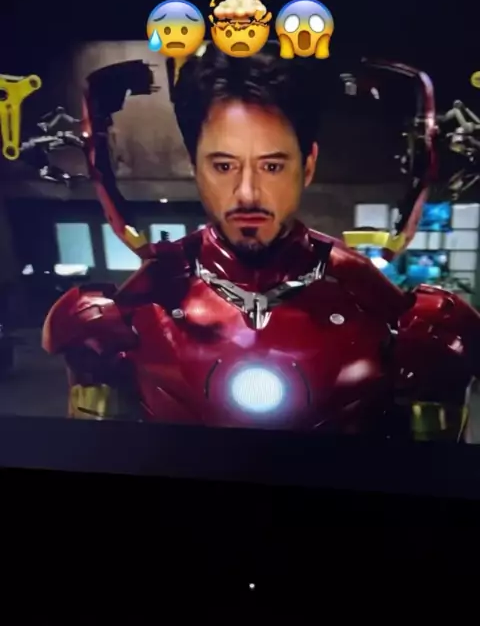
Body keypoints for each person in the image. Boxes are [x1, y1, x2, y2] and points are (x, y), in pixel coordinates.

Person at [42, 45, 480, 440]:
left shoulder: (371, 297)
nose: (247, 193)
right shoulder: (139, 301)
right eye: (224, 166)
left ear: (307, 166)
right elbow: (99, 455)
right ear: (195, 166)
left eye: (272, 166)